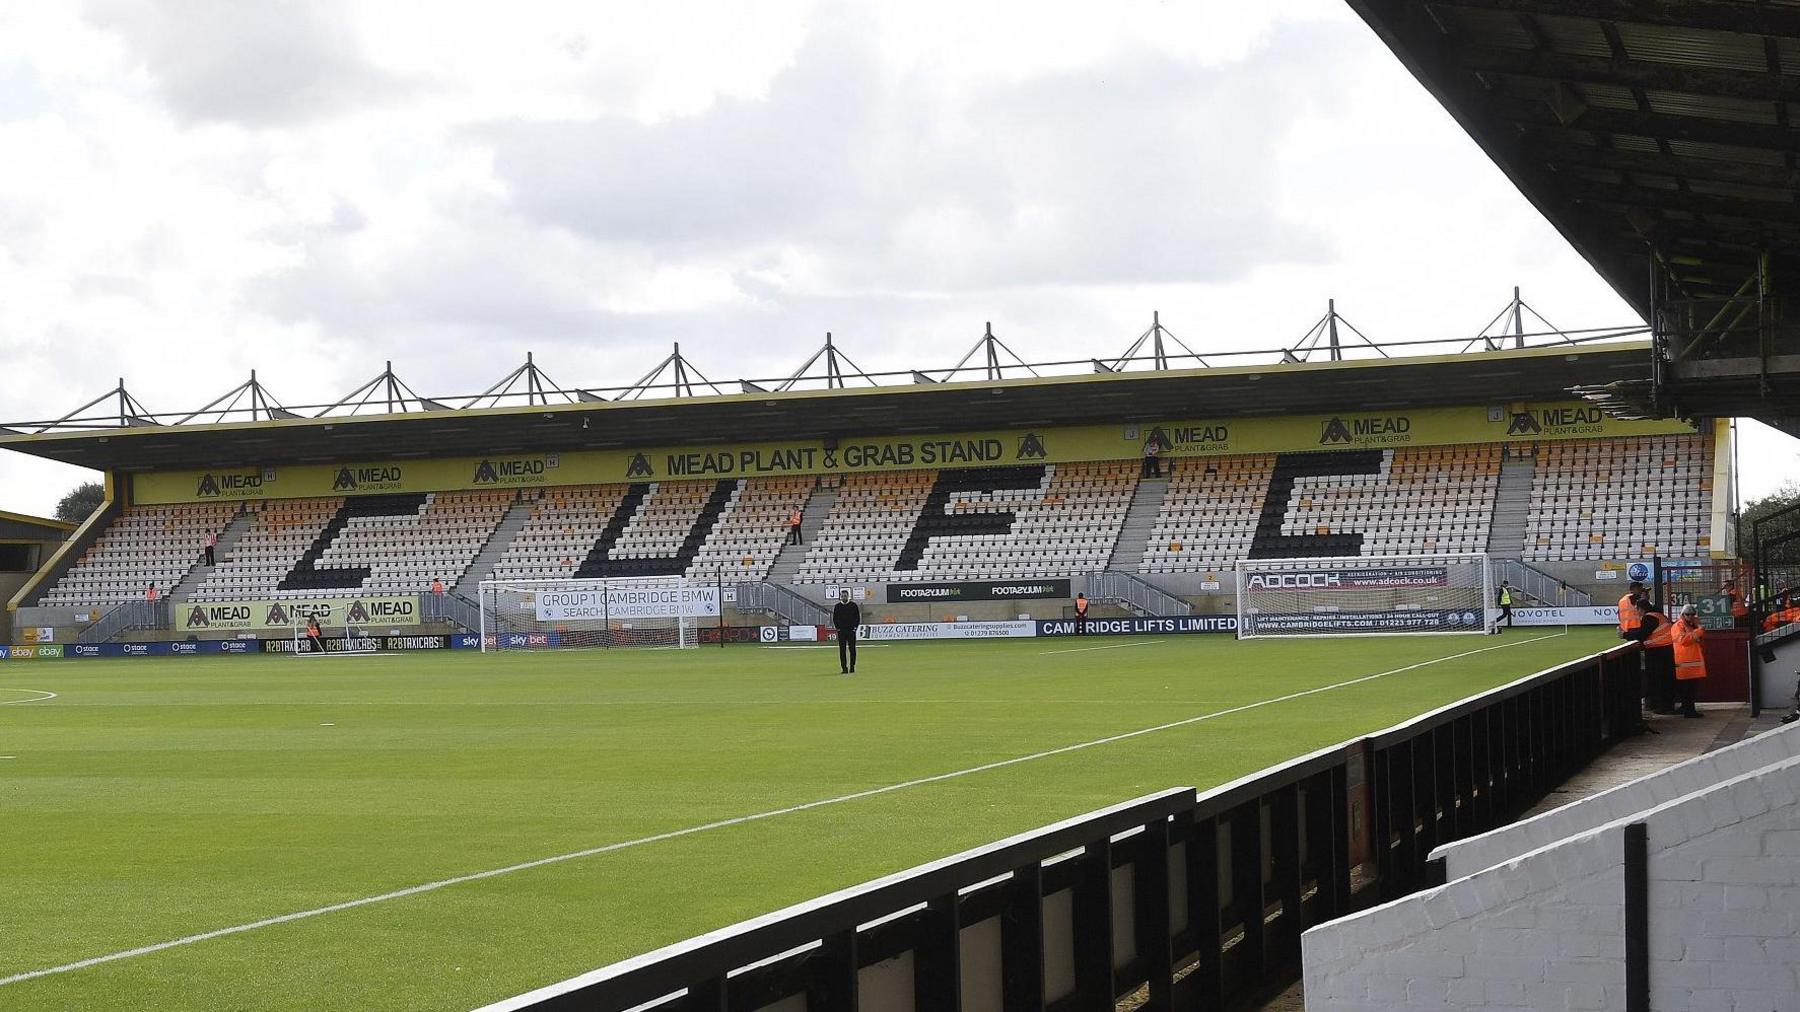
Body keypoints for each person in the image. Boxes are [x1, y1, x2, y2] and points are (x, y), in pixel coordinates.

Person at [1636, 605, 1676, 715]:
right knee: (1666, 680)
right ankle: (1668, 706)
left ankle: (1662, 706)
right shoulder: (1659, 615)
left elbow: (1642, 633)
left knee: (1658, 679)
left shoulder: (1649, 617)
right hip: (1667, 649)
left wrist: (1625, 634)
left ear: (1641, 609)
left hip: (1657, 652)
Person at [1671, 605, 1707, 718]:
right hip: (1684, 663)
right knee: (1687, 690)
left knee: (1690, 689)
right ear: (1682, 615)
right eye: (1688, 614)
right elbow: (1684, 640)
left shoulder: (1690, 626)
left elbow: (1696, 640)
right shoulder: (1678, 626)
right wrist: (1699, 630)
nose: (1691, 616)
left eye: (1692, 614)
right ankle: (1689, 711)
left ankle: (1687, 709)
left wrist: (1697, 628)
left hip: (1690, 663)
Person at [832, 589, 861, 674]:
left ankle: (852, 667)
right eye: (842, 596)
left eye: (845, 596)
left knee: (852, 649)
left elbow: (857, 618)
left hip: (851, 631)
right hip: (842, 632)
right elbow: (835, 619)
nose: (844, 597)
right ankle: (844, 668)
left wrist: (855, 628)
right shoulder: (837, 606)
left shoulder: (853, 605)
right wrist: (838, 628)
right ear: (840, 597)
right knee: (842, 650)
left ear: (848, 596)